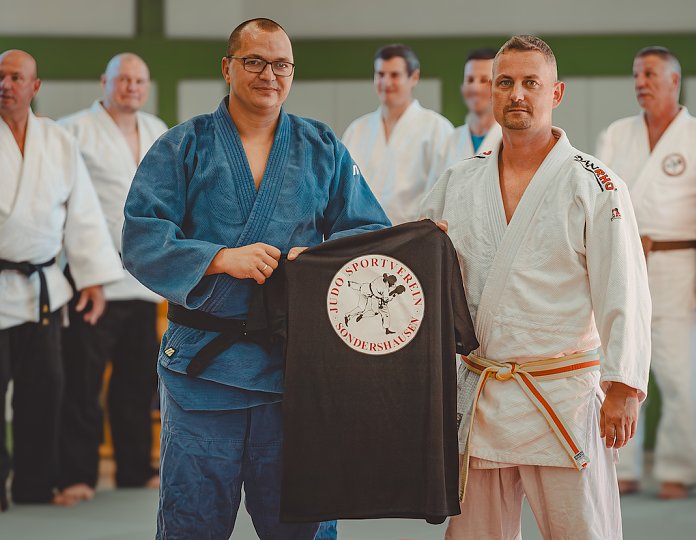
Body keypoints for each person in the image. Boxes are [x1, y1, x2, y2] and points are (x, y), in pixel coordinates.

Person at [121, 18, 390, 539]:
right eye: (255, 61)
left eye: (281, 64)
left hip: (294, 372)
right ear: (228, 68)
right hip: (202, 369)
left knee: (303, 524)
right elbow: (139, 237)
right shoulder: (183, 145)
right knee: (190, 524)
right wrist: (221, 258)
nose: (270, 74)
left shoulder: (320, 147)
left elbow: (368, 236)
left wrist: (316, 261)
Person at [419, 35, 651, 540]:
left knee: (581, 532)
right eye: (504, 82)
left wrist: (624, 387)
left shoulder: (595, 183)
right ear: (489, 92)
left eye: (531, 83)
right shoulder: (460, 181)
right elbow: (407, 255)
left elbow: (624, 287)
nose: (517, 94)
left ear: (557, 92)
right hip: (483, 394)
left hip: (560, 395)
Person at [0, 50, 123, 513]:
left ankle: (36, 484)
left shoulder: (57, 141)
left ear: (36, 87)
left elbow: (82, 214)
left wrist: (93, 279)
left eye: (17, 77)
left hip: (42, 289)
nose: (6, 85)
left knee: (46, 389)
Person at [596, 46, 696, 499]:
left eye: (650, 74)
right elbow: (598, 205)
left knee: (681, 372)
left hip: (681, 264)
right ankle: (621, 463)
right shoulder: (617, 134)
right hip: (626, 260)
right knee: (619, 364)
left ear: (675, 80)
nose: (641, 82)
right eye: (636, 74)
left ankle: (682, 467)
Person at [54, 53, 168, 503]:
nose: (132, 88)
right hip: (91, 277)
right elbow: (65, 205)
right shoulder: (71, 130)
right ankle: (76, 474)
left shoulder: (158, 130)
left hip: (143, 278)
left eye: (140, 81)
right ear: (105, 81)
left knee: (138, 382)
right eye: (123, 80)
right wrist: (85, 271)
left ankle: (135, 468)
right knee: (82, 380)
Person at [342, 43, 453, 224]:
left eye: (394, 75)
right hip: (362, 234)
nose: (386, 83)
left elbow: (445, 193)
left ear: (414, 77)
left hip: (412, 235)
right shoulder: (357, 130)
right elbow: (344, 188)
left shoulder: (437, 129)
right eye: (380, 75)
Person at [429, 47, 501, 179]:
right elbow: (433, 196)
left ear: (500, 86)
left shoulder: (511, 142)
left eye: (484, 80)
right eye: (470, 80)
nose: (475, 88)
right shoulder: (449, 143)